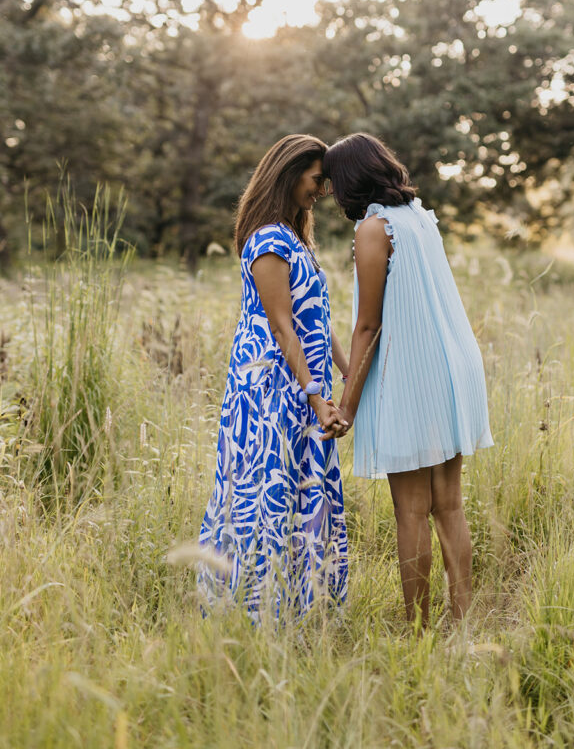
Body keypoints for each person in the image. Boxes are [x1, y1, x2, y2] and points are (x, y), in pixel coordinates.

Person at [324, 133, 493, 627]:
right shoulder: (419, 215)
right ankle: (461, 622)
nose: (332, 195)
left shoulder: (373, 228)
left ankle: (418, 630)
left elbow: (369, 325)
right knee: (450, 506)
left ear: (351, 179)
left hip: (413, 375)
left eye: (334, 184)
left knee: (412, 512)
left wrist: (348, 403)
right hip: (455, 365)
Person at [197, 135, 349, 624]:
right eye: (315, 179)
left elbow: (317, 323)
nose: (320, 190)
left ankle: (300, 612)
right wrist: (313, 393)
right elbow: (282, 325)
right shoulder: (267, 240)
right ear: (289, 174)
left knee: (301, 493)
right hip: (270, 391)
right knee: (266, 495)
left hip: (305, 388)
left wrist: (350, 376)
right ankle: (253, 614)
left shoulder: (296, 240)